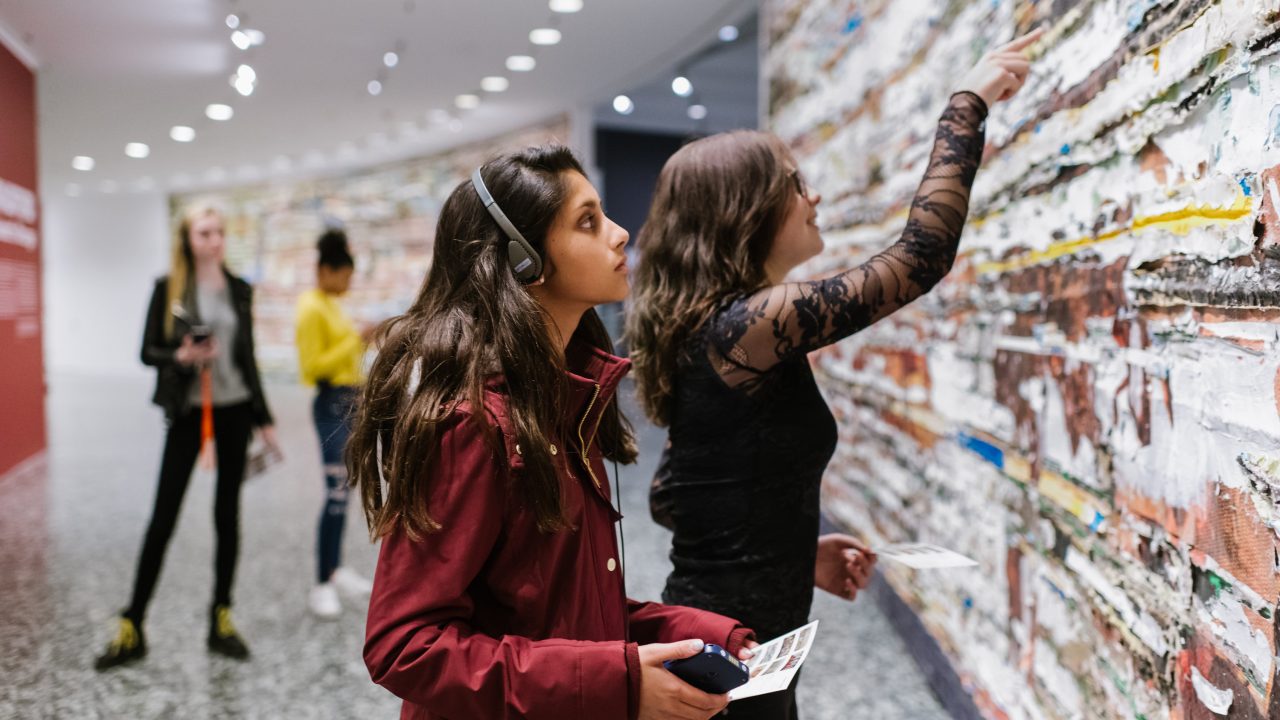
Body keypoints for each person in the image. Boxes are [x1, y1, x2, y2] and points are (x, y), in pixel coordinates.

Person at [626, 30, 1042, 718]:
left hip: (744, 640)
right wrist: (965, 105)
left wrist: (791, 553)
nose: (813, 197)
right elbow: (920, 259)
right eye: (796, 183)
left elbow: (676, 492)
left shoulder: (717, 331)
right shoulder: (741, 328)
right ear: (747, 210)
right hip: (730, 656)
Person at [348, 146, 758, 720]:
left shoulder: (564, 405)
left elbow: (561, 612)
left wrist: (703, 635)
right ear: (524, 260)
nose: (620, 235)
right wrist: (615, 684)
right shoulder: (474, 425)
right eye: (588, 222)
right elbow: (403, 645)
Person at [95, 206, 278, 670]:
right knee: (163, 517)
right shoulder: (168, 288)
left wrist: (264, 415)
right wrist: (181, 354)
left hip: (234, 412)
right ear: (187, 238)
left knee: (227, 516)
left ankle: (221, 615)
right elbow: (145, 353)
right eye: (204, 233)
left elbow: (248, 358)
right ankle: (133, 622)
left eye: (219, 232)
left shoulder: (238, 289)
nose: (214, 240)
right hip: (187, 414)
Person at [295, 229, 374, 619]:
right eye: (344, 277)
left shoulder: (331, 303)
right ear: (327, 271)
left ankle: (335, 567)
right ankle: (321, 583)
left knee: (344, 490)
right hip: (331, 404)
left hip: (351, 401)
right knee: (335, 493)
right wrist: (356, 339)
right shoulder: (311, 308)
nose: (347, 285)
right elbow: (312, 368)